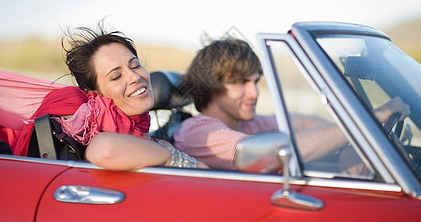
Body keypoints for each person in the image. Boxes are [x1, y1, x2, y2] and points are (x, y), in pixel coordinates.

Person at [173, 36, 410, 171]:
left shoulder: (246, 125)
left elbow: (301, 122)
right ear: (211, 86)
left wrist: (347, 141)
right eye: (241, 82)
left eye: (255, 81)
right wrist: (368, 121)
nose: (254, 92)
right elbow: (268, 153)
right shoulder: (199, 132)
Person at [14, 23, 206, 170]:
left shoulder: (151, 140)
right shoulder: (100, 136)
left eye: (135, 65)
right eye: (116, 76)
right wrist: (173, 158)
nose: (134, 77)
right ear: (95, 94)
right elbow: (104, 150)